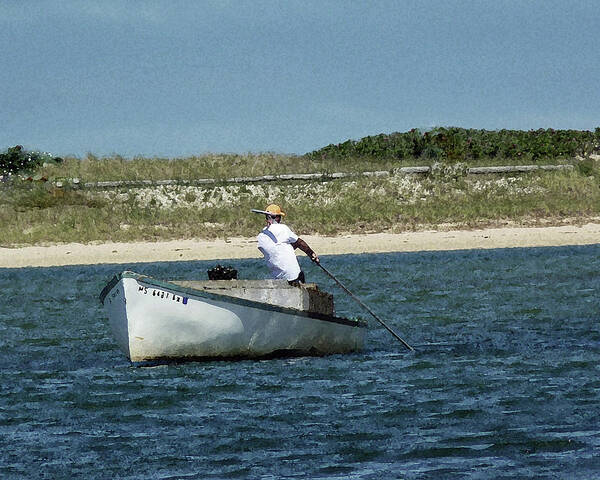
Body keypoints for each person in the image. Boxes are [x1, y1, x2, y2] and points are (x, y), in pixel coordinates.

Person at [252, 204, 319, 285]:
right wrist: (312, 254)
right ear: (277, 217)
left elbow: (277, 248)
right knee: (300, 274)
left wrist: (292, 246)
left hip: (278, 279)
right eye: (279, 217)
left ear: (267, 217)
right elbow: (299, 242)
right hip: (293, 276)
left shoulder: (261, 236)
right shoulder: (283, 229)